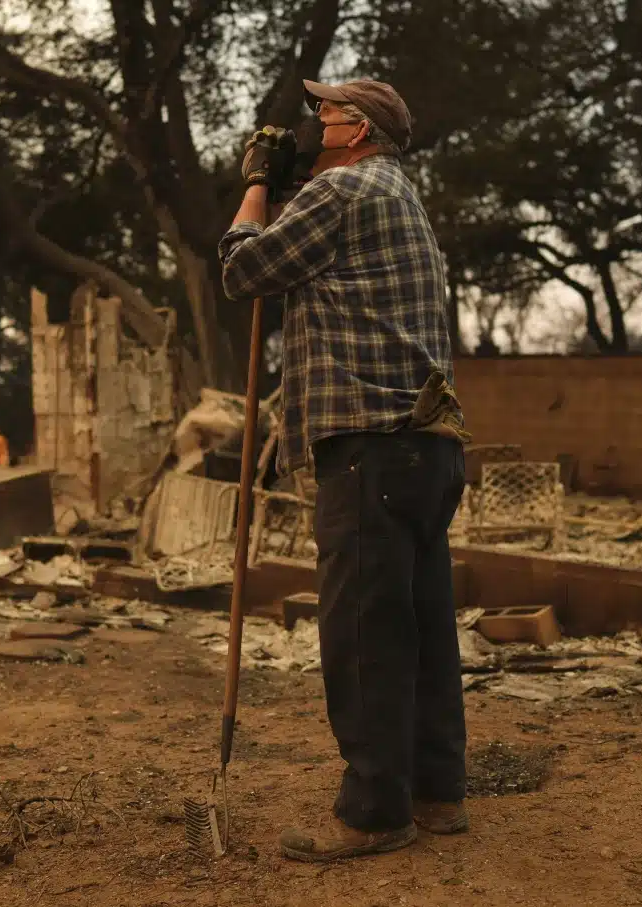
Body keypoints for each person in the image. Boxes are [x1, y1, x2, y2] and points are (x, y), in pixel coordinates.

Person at [218, 79, 470, 863]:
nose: (312, 122)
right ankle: (435, 792)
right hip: (426, 448)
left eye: (324, 112)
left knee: (363, 635)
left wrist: (257, 181)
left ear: (357, 130)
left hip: (369, 450)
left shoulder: (343, 192)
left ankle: (372, 813)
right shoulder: (395, 191)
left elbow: (243, 268)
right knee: (422, 628)